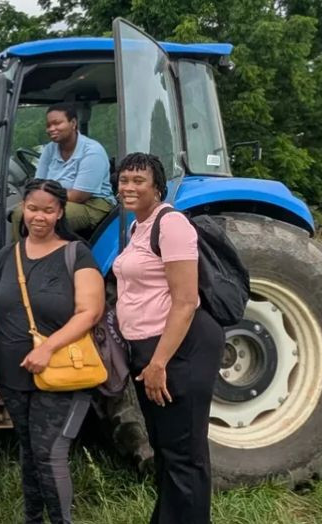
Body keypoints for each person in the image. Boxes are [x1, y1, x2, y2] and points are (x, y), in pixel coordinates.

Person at [111, 152, 224, 524]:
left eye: (138, 181)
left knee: (185, 454)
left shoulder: (171, 224)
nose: (128, 187)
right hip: (150, 350)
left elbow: (186, 301)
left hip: (179, 349)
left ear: (156, 186)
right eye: (124, 180)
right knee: (165, 449)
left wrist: (159, 362)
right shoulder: (137, 227)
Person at [0, 179, 105, 524]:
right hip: (13, 375)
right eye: (33, 208)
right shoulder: (8, 256)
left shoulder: (76, 254)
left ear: (60, 213)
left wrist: (48, 348)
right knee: (29, 451)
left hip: (63, 372)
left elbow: (90, 312)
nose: (39, 216)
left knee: (50, 454)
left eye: (48, 210)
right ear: (23, 208)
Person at [12, 104, 115, 235]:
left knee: (46, 219)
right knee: (19, 213)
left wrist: (42, 200)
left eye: (57, 123)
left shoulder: (92, 151)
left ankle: (46, 254)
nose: (51, 129)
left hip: (92, 204)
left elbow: (79, 196)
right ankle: (20, 254)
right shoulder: (50, 149)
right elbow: (37, 184)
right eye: (48, 125)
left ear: (73, 123)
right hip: (56, 201)